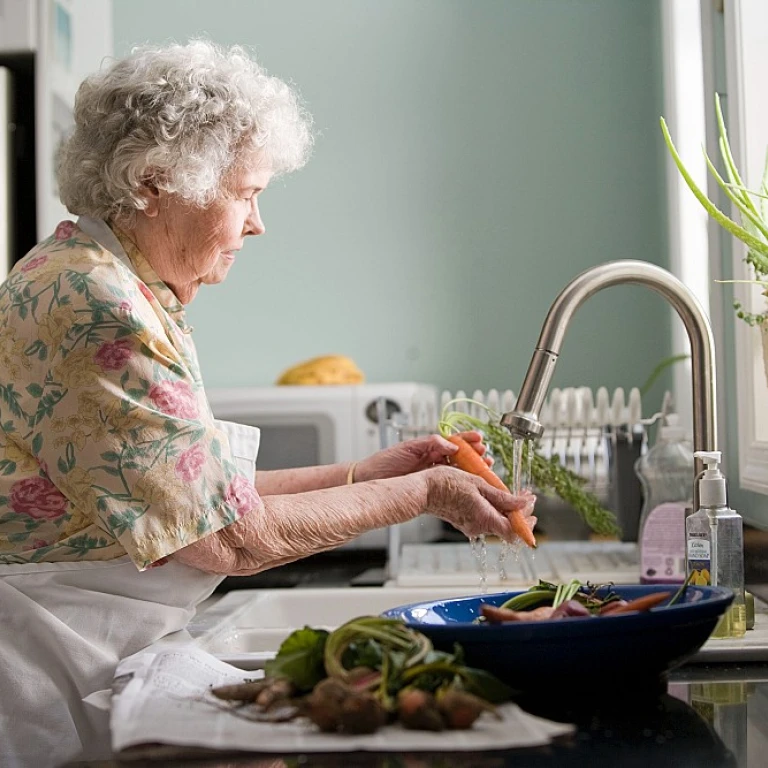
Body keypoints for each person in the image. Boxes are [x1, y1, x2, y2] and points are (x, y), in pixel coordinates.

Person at [0, 40, 536, 765]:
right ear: (155, 183)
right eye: (245, 193)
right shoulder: (95, 304)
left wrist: (373, 475)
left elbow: (198, 498)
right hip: (46, 665)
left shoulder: (100, 279)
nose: (257, 224)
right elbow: (228, 538)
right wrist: (424, 491)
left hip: (77, 647)